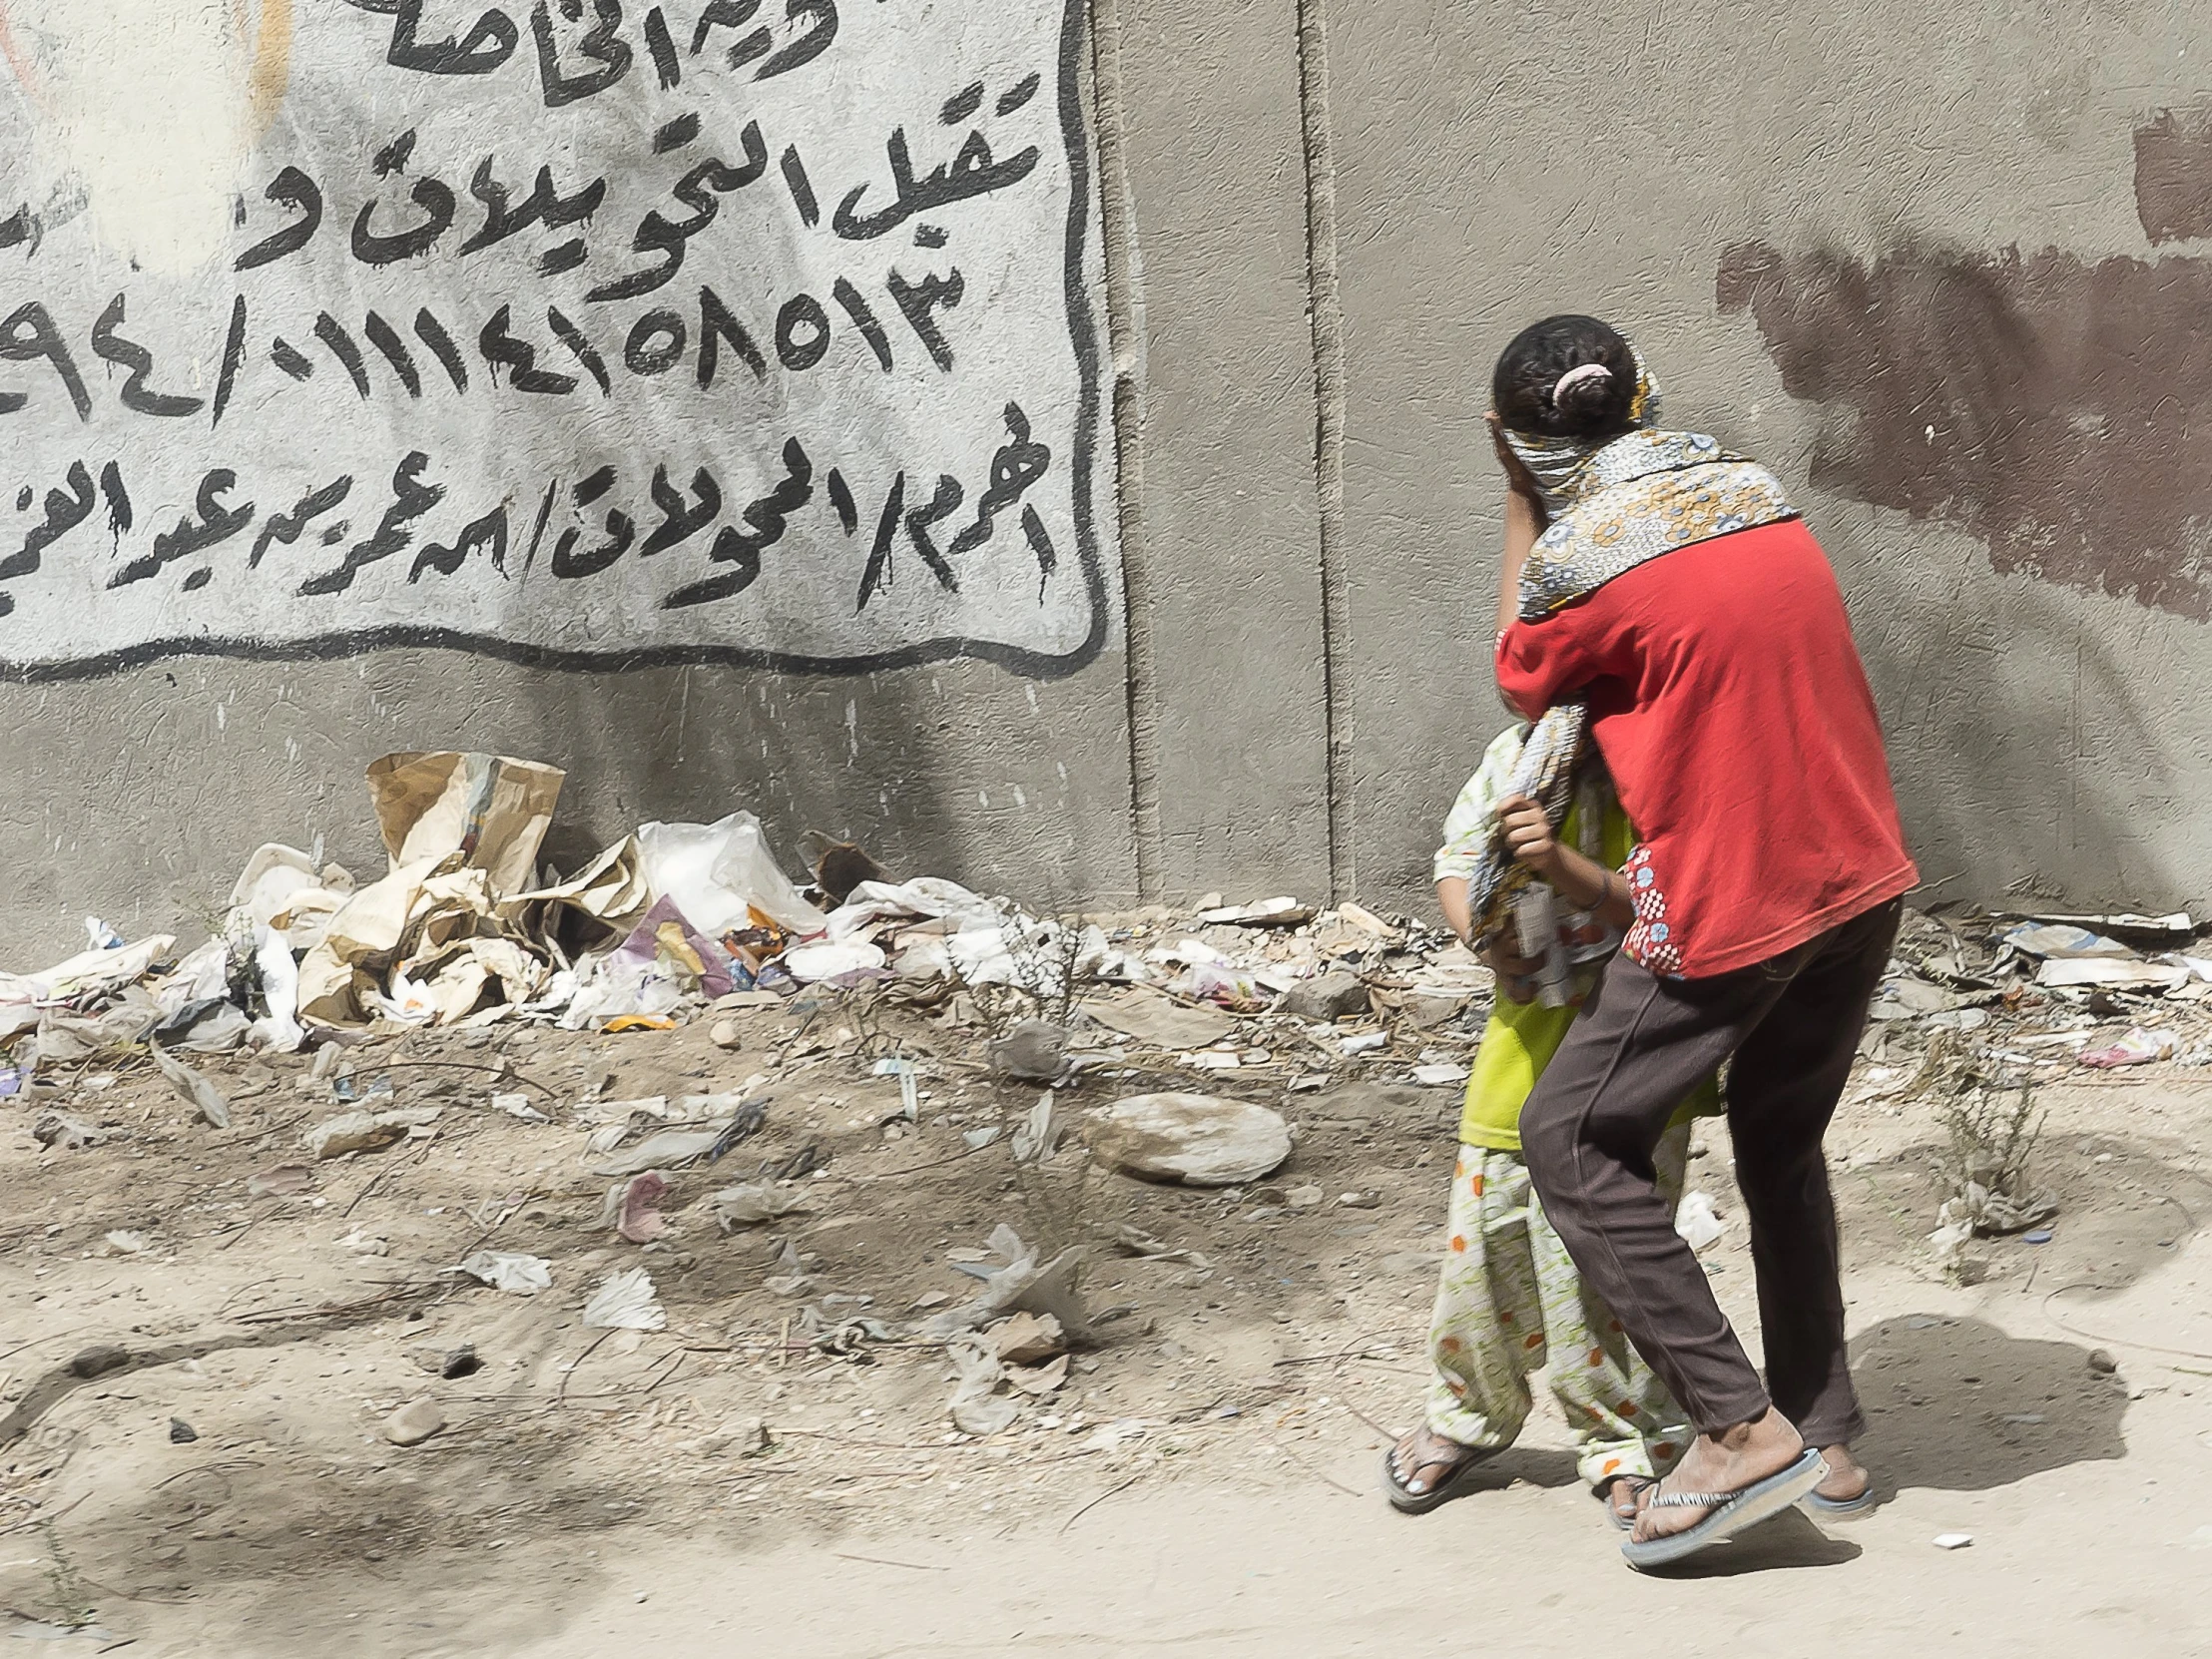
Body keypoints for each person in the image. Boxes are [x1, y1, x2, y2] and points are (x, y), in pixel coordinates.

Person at [1484, 315, 1918, 1568]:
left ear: (1521, 440)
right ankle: (1826, 1436)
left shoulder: (1585, 564)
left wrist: (1518, 500)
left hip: (1734, 901)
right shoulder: (1754, 496)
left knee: (1565, 1137)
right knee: (1779, 1147)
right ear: (1643, 400)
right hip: (1859, 876)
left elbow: (1518, 675)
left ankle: (1736, 1430)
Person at [1382, 727, 1720, 1525]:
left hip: (1640, 1053)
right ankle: (1466, 1414)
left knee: (1609, 1259)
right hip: (1526, 1043)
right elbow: (1457, 860)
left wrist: (1562, 867)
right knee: (1485, 1239)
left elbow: (1686, 900)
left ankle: (1622, 1442)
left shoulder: (1670, 758)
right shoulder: (1518, 757)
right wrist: (1484, 937)